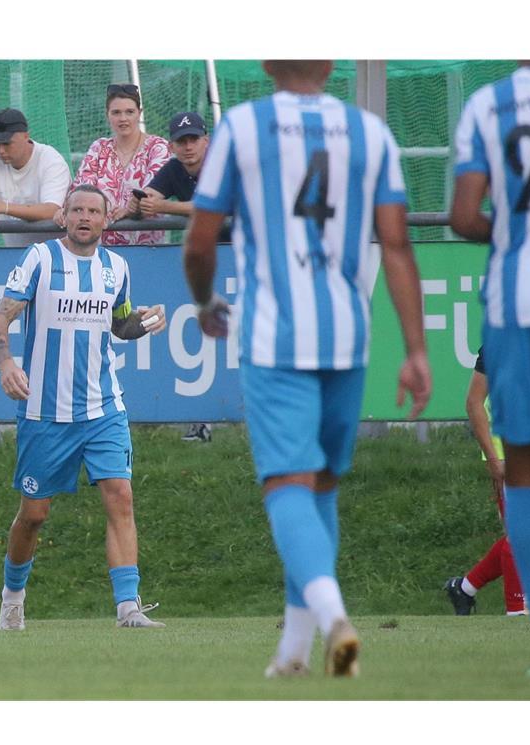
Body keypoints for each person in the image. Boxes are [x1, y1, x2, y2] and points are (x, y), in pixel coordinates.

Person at [184, 60, 432, 678]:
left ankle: (335, 619)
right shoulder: (371, 132)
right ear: (331, 63)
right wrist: (417, 349)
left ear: (268, 63)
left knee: (286, 484)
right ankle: (292, 654)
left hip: (275, 335)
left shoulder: (242, 126)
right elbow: (396, 245)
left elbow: (198, 239)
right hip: (348, 335)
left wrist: (205, 300)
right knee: (321, 484)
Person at [0, 184, 168, 631]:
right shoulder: (40, 260)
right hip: (45, 412)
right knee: (34, 514)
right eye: (77, 210)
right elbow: (0, 317)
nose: (85, 217)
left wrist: (142, 323)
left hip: (103, 407)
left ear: (106, 220)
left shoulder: (116, 268)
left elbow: (119, 325)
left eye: (94, 211)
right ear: (62, 216)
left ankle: (129, 607)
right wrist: (6, 361)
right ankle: (12, 597)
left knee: (120, 496)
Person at [449, 59, 530, 678]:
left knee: (524, 473)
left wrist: (518, 239)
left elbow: (465, 216)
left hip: (517, 305)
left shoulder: (487, 104)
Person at [444, 347, 530, 616]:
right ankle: (517, 611)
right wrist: (494, 459)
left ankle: (464, 587)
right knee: (524, 535)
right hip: (509, 455)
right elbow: (474, 403)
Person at [61, 83, 170, 246]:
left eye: (130, 112)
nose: (123, 118)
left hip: (146, 249)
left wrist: (129, 210)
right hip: (99, 250)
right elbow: (81, 192)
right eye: (116, 112)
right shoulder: (99, 148)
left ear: (139, 113)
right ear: (107, 115)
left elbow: (151, 195)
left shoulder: (157, 147)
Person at [0, 108, 71, 247]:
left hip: (58, 255)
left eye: (6, 143)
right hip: (15, 253)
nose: (0, 150)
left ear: (26, 136)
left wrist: (4, 207)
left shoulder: (51, 161)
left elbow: (52, 210)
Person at [128, 111, 209, 219]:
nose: (188, 147)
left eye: (194, 140)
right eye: (181, 141)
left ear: (206, 141)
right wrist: (138, 206)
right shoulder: (173, 168)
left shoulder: (221, 164)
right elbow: (149, 196)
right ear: (171, 147)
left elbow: (213, 207)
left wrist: (164, 206)